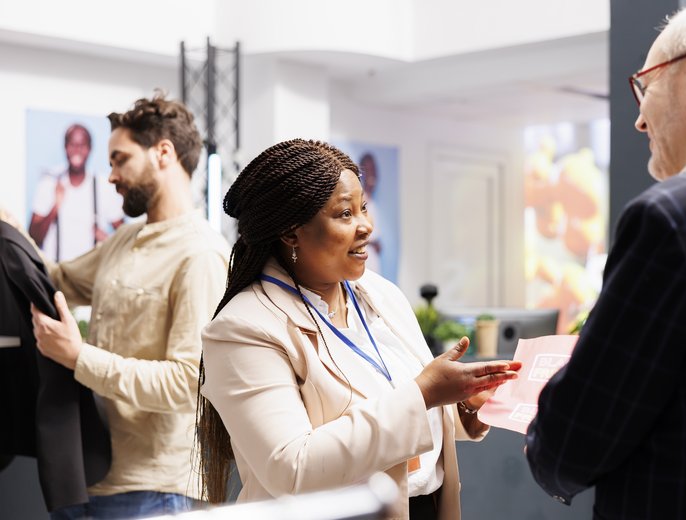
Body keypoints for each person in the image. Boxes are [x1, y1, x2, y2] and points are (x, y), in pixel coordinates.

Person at [525, 1, 686, 518]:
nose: (639, 119)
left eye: (645, 86)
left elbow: (574, 438)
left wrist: (542, 437)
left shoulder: (677, 217)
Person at [197, 139, 522, 520]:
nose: (366, 226)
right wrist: (424, 394)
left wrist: (465, 408)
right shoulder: (243, 328)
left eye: (363, 208)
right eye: (345, 214)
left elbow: (406, 415)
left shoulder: (381, 296)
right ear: (290, 232)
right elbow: (291, 467)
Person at [26, 94, 230, 519]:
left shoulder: (202, 255)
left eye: (120, 160)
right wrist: (9, 228)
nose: (112, 176)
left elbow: (187, 384)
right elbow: (55, 280)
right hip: (94, 476)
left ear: (163, 153)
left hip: (158, 490)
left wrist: (78, 356)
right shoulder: (123, 241)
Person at [29, 124, 124, 262]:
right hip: (55, 275)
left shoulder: (104, 186)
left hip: (90, 276)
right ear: (65, 147)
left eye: (82, 145)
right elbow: (33, 238)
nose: (77, 150)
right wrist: (55, 207)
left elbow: (125, 236)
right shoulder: (49, 183)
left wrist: (107, 239)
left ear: (90, 149)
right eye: (72, 144)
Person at [358, 152, 383, 274]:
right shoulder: (359, 200)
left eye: (373, 169)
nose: (371, 174)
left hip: (373, 259)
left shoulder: (373, 201)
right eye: (368, 170)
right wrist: (372, 243)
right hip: (364, 259)